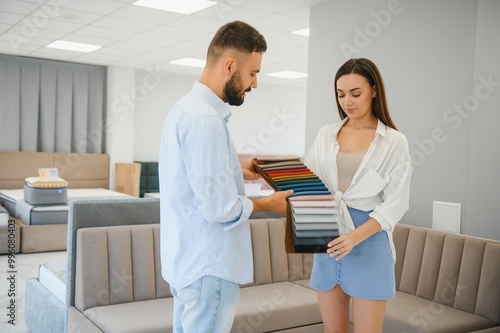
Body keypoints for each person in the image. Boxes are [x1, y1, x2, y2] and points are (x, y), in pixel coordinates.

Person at [158, 21, 293, 333]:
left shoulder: (185, 110)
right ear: (230, 65)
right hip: (210, 270)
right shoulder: (206, 120)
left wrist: (235, 172)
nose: (255, 84)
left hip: (187, 265)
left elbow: (192, 181)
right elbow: (219, 208)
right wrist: (267, 204)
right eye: (253, 73)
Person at [305, 58, 412, 333]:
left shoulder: (393, 142)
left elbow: (395, 204)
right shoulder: (326, 134)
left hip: (369, 244)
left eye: (356, 93)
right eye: (341, 94)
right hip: (329, 243)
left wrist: (353, 238)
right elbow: (310, 185)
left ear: (374, 90)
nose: (347, 102)